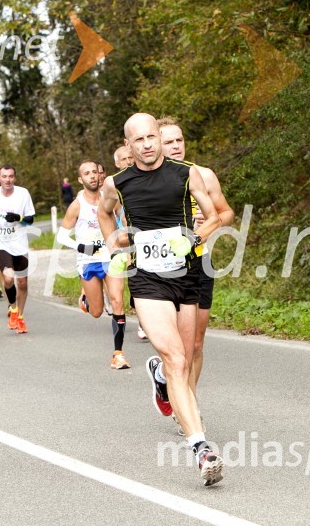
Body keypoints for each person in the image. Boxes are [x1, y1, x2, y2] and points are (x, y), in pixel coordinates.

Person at [98, 113, 224, 486]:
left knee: (184, 360)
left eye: (152, 137)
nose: (148, 144)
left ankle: (161, 380)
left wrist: (194, 237)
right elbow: (105, 216)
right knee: (175, 356)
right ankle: (201, 448)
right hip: (148, 278)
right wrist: (115, 243)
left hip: (186, 274)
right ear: (129, 145)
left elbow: (215, 216)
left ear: (158, 136)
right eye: (139, 140)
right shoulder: (116, 184)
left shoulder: (186, 173)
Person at [158, 116, 234, 434]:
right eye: (168, 141)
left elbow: (227, 213)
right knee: (176, 347)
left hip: (199, 263)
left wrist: (210, 219)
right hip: (163, 269)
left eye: (179, 140)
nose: (176, 146)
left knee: (197, 345)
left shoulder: (203, 175)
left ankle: (185, 402)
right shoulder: (146, 181)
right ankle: (177, 395)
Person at [56, 160, 130, 370]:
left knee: (117, 301)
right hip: (88, 260)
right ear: (80, 179)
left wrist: (125, 233)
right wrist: (80, 247)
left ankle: (118, 354)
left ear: (101, 175)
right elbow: (62, 236)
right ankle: (86, 299)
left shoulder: (110, 199)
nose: (92, 176)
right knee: (97, 312)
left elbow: (124, 220)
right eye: (87, 173)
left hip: (111, 255)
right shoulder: (77, 205)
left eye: (95, 172)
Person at [0, 165, 36, 334]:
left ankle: (20, 317)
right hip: (2, 243)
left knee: (22, 282)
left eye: (10, 176)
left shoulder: (23, 193)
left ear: (14, 178)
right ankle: (13, 309)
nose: (7, 179)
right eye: (4, 176)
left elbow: (30, 220)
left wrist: (18, 218)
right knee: (8, 279)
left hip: (20, 243)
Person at [111, 145, 148, 341]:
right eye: (124, 159)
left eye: (131, 157)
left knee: (148, 283)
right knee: (135, 287)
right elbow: (108, 217)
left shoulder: (146, 180)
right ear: (117, 164)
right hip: (127, 244)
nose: (129, 161)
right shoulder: (115, 189)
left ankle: (146, 322)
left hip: (147, 244)